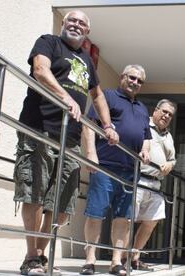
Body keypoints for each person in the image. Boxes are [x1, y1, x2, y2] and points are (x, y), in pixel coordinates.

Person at [13, 10, 119, 276]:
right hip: (41, 129)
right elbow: (40, 69)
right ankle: (31, 258)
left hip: (70, 139)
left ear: (87, 32)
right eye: (72, 20)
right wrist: (65, 97)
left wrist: (107, 125)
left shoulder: (86, 60)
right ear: (64, 23)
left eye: (82, 23)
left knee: (60, 206)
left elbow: (98, 96)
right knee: (35, 194)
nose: (76, 25)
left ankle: (41, 255)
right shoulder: (48, 41)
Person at [80, 64, 151, 276]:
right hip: (105, 167)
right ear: (122, 77)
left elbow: (146, 136)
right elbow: (89, 125)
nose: (135, 82)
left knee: (124, 218)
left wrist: (145, 151)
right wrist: (91, 154)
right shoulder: (107, 97)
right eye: (132, 78)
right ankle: (90, 260)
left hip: (130, 171)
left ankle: (116, 261)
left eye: (139, 81)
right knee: (96, 214)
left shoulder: (142, 108)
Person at [122, 99, 177, 271]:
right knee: (128, 220)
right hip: (138, 178)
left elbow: (172, 158)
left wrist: (170, 165)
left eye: (170, 115)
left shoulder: (168, 136)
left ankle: (134, 257)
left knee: (152, 221)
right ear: (156, 110)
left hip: (156, 184)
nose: (166, 116)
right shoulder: (143, 125)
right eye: (164, 112)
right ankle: (122, 258)